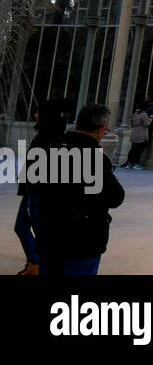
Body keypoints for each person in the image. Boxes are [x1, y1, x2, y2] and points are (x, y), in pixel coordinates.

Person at [35, 103, 126, 276]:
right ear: (101, 130)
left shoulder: (51, 152)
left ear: (77, 126)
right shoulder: (96, 160)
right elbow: (116, 198)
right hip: (82, 242)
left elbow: (37, 189)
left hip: (49, 237)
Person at [14, 99, 66, 275]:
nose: (35, 115)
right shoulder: (51, 134)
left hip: (38, 192)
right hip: (35, 190)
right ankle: (35, 263)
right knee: (22, 226)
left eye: (38, 112)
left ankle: (37, 264)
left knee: (31, 228)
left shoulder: (47, 136)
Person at [124, 103, 153, 169]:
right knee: (139, 150)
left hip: (134, 133)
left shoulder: (134, 114)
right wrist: (151, 118)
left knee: (133, 149)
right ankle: (136, 164)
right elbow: (146, 124)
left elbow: (131, 123)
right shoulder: (144, 114)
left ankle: (129, 163)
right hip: (141, 134)